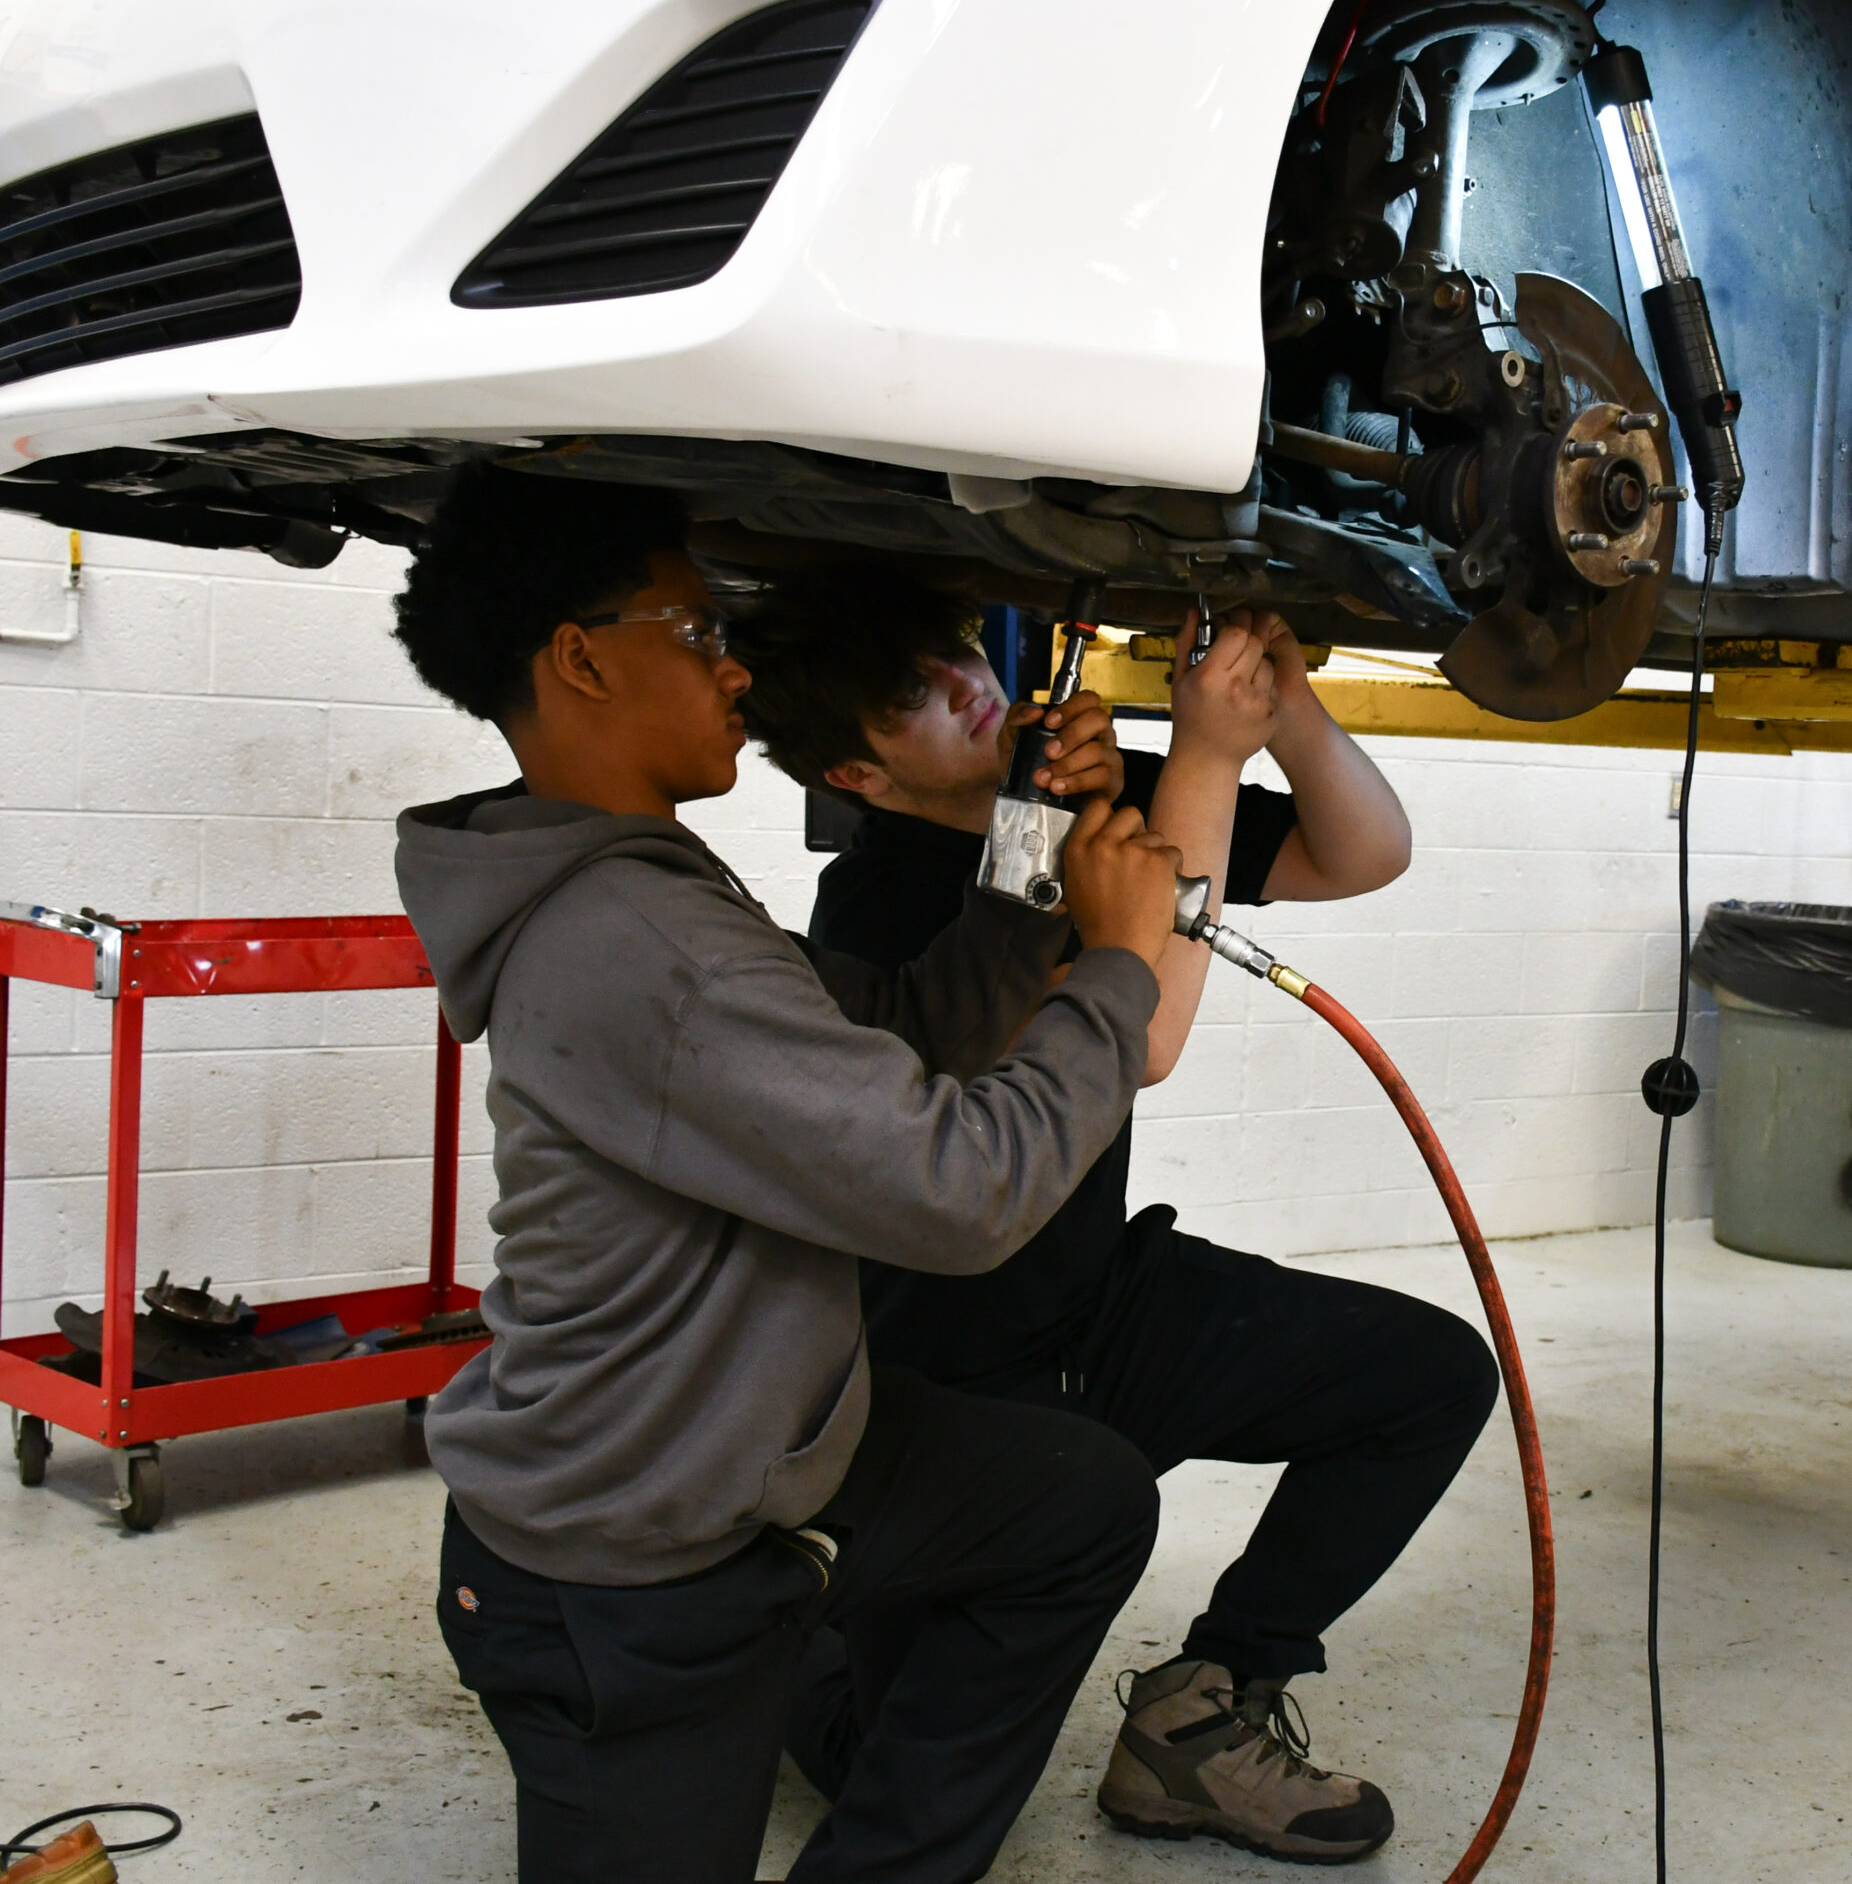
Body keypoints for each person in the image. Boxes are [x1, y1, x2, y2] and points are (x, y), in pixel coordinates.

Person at [388, 465, 1187, 1884]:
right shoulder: (645, 941)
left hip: (741, 1447)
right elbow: (959, 1190)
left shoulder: (646, 887)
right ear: (580, 659)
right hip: (622, 1566)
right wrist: (1120, 964)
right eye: (699, 633)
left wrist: (1031, 833)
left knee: (1076, 1501)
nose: (736, 667)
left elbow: (905, 1033)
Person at [733, 566, 1501, 1865]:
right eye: (915, 694)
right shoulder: (879, 907)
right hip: (956, 1377)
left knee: (1428, 1380)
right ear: (858, 776)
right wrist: (1199, 756)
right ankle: (779, 1644)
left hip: (1096, 1298)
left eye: (956, 652)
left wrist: (1284, 713)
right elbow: (1144, 1040)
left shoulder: (1078, 794)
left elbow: (1363, 851)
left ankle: (1205, 1710)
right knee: (876, 1755)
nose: (969, 687)